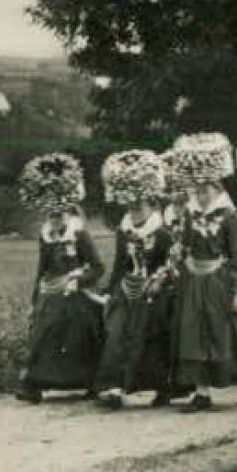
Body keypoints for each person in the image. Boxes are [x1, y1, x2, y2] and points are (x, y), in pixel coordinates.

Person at [168, 133, 237, 411]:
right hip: (195, 280)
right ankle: (201, 392)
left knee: (227, 334)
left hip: (221, 281)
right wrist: (178, 252)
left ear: (217, 190)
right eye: (198, 190)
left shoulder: (229, 216)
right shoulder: (190, 214)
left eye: (206, 190)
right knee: (194, 333)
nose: (201, 195)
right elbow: (184, 243)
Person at [93, 149, 186, 409]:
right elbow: (119, 264)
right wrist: (111, 292)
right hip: (128, 288)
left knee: (151, 339)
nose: (134, 210)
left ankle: (162, 388)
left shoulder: (162, 232)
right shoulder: (124, 230)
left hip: (155, 291)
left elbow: (172, 262)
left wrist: (159, 280)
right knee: (116, 333)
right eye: (130, 205)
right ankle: (112, 387)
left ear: (149, 201)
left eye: (139, 205)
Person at [15, 153, 107, 403]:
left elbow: (98, 267)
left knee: (80, 331)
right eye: (50, 216)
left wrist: (79, 279)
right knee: (42, 332)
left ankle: (90, 382)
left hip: (77, 293)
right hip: (52, 291)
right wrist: (34, 301)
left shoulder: (80, 233)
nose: (54, 221)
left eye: (58, 215)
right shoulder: (46, 235)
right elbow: (41, 269)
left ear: (67, 211)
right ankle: (34, 385)